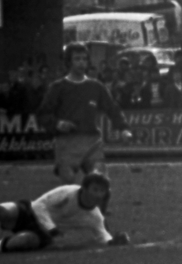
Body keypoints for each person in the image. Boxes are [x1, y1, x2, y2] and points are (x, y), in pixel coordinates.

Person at [37, 44, 133, 205]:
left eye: (84, 59)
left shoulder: (96, 87)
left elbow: (112, 109)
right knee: (68, 187)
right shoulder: (58, 87)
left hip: (91, 142)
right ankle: (70, 223)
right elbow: (42, 115)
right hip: (66, 143)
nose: (81, 63)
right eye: (77, 59)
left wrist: (123, 128)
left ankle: (99, 223)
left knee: (102, 184)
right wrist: (57, 124)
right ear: (69, 62)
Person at [0, 172, 130, 253]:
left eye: (102, 191)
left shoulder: (95, 217)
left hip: (41, 234)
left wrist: (113, 242)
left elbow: (101, 234)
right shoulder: (68, 192)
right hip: (29, 211)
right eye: (95, 189)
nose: (98, 194)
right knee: (0, 210)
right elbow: (39, 206)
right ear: (84, 188)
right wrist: (52, 229)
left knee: (22, 242)